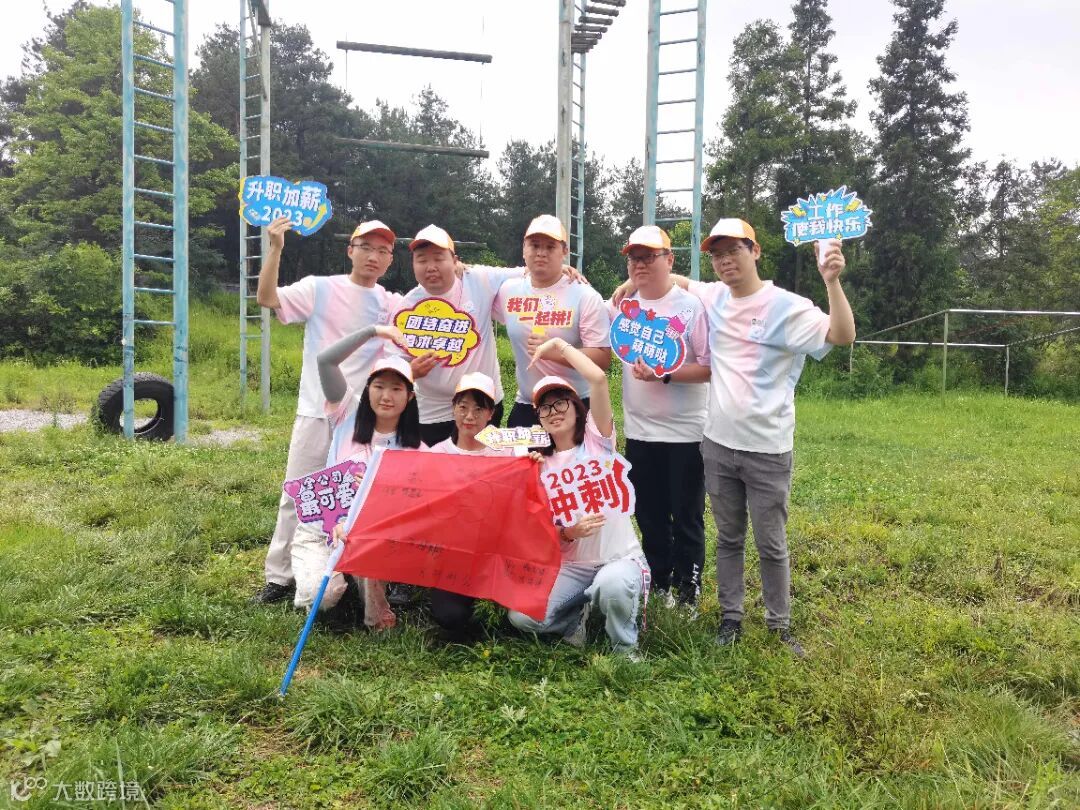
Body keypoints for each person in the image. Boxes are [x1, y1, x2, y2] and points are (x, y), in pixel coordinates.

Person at [618, 219, 855, 655]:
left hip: (768, 448)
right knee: (728, 538)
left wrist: (832, 281)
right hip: (718, 444)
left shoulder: (786, 306)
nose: (725, 260)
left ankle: (779, 625)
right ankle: (731, 619)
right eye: (717, 253)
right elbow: (673, 279)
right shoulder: (714, 297)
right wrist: (631, 283)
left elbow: (842, 335)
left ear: (756, 251)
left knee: (771, 543)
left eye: (734, 251)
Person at [252, 217, 400, 605]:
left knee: (367, 497)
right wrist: (275, 248)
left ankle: (364, 574)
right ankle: (279, 577)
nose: (373, 256)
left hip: (364, 419)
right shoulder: (320, 288)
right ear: (350, 250)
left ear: (390, 260)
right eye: (366, 247)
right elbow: (267, 298)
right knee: (298, 492)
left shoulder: (391, 303)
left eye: (383, 251)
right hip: (317, 409)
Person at [506, 338, 649, 658]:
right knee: (523, 616)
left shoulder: (599, 441)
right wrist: (570, 532)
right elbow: (541, 532)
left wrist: (559, 345)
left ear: (576, 407)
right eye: (545, 407)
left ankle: (624, 650)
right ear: (538, 417)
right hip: (573, 567)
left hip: (618, 558)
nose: (553, 412)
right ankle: (574, 621)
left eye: (561, 403)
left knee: (612, 586)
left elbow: (598, 378)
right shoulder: (537, 466)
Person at [609, 225, 711, 608]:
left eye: (649, 257)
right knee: (649, 514)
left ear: (669, 260)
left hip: (686, 433)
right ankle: (660, 581)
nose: (640, 264)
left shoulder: (691, 307)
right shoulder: (621, 306)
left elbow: (709, 367)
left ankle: (688, 590)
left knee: (686, 516)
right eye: (634, 258)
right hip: (640, 432)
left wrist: (665, 373)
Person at [306, 324, 424, 631]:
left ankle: (375, 612)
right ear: (367, 388)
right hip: (326, 530)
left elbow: (416, 508)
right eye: (379, 386)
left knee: (368, 546)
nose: (386, 396)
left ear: (410, 397)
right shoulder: (347, 414)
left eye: (396, 389)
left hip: (375, 539)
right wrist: (373, 331)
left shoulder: (416, 449)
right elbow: (325, 361)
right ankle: (342, 594)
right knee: (321, 597)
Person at [393, 225, 525, 447]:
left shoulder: (479, 280)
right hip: (433, 414)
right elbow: (393, 366)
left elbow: (528, 272)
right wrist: (410, 371)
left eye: (439, 258)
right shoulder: (406, 307)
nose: (431, 267)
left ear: (455, 261)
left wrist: (563, 272)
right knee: (438, 467)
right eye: (422, 260)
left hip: (482, 406)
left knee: (481, 464)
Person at [493, 215, 612, 428]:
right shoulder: (507, 290)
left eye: (550, 247)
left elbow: (602, 357)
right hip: (528, 405)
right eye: (535, 245)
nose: (541, 253)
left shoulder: (584, 295)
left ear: (564, 251)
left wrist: (556, 352)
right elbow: (472, 285)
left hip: (575, 405)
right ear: (524, 249)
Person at [425, 372, 513, 641]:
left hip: (497, 554)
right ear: (453, 409)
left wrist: (533, 464)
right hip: (455, 556)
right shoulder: (436, 455)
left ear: (491, 414)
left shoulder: (508, 453)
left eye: (479, 409)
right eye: (463, 407)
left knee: (516, 617)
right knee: (450, 616)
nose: (469, 416)